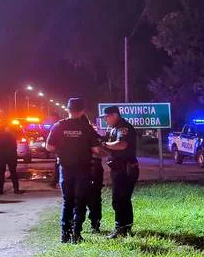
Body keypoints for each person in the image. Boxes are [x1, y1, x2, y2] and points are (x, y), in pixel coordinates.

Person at [46, 98, 103, 243]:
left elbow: (49, 147)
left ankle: (64, 235)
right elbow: (96, 149)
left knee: (67, 201)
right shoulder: (86, 127)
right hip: (83, 169)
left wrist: (63, 148)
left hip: (65, 169)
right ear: (82, 111)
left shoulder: (59, 126)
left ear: (67, 110)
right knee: (80, 201)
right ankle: (76, 234)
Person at [102, 106, 139, 238]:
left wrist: (104, 145)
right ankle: (125, 228)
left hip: (125, 169)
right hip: (119, 169)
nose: (106, 120)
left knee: (119, 200)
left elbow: (122, 144)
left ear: (114, 115)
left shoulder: (123, 127)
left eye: (107, 117)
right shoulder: (114, 128)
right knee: (122, 199)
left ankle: (121, 229)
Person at [82, 113, 105, 232]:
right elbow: (100, 150)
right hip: (94, 167)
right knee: (95, 196)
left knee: (79, 196)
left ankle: (77, 225)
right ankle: (95, 224)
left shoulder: (71, 133)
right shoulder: (91, 133)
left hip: (85, 168)